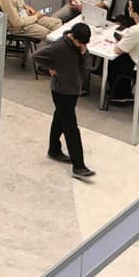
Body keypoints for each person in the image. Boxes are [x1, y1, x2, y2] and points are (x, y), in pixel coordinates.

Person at [31, 23, 97, 182]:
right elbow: (36, 56)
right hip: (61, 91)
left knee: (59, 118)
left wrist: (84, 53)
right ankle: (79, 166)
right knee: (71, 128)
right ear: (73, 37)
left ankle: (54, 149)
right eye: (80, 43)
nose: (82, 46)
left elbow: (87, 68)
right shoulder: (58, 47)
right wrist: (51, 68)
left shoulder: (80, 47)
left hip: (74, 90)